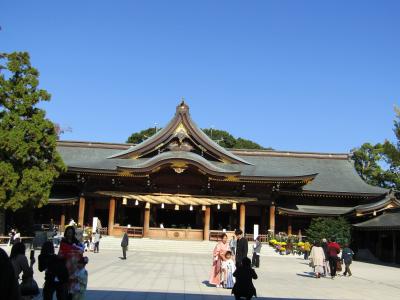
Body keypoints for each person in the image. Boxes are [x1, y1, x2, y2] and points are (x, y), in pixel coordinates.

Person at [58, 226, 84, 299]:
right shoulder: (63, 241)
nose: (69, 234)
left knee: (73, 287)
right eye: (68, 232)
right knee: (65, 286)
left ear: (73, 234)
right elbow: (60, 252)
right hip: (65, 266)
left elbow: (81, 251)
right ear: (66, 233)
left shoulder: (76, 242)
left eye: (71, 233)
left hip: (74, 267)